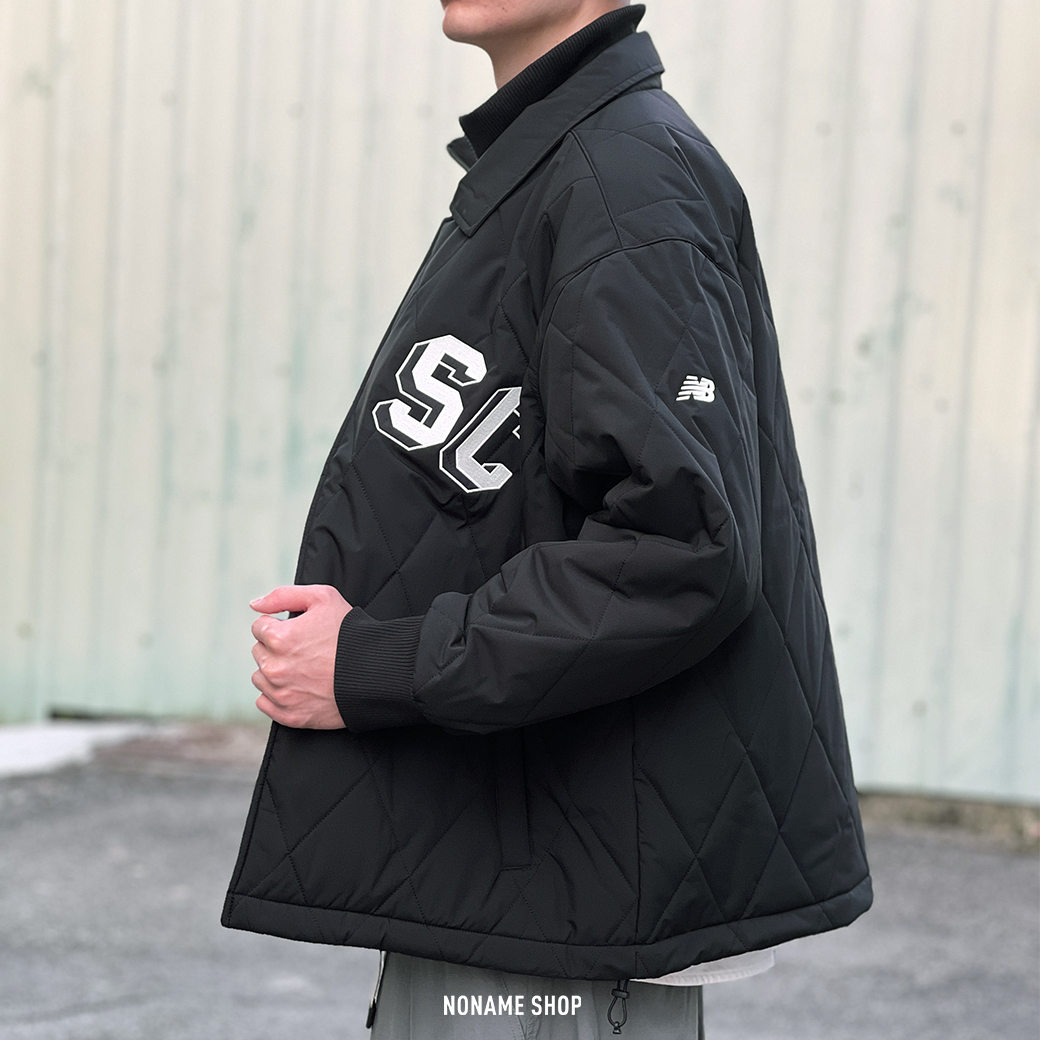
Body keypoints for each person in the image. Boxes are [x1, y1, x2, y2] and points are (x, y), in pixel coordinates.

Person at [223, 1, 873, 1036]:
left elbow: (677, 546)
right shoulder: (564, 161)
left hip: (564, 903)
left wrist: (375, 664)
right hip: (521, 871)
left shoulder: (622, 175)